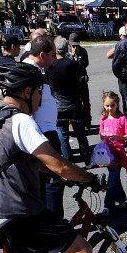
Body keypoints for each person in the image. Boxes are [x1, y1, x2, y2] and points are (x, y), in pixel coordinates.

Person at [0, 63, 115, 253]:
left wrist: (53, 174)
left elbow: (18, 159)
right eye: (39, 93)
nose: (40, 100)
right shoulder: (21, 121)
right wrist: (88, 178)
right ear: (27, 92)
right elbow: (59, 164)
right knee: (81, 250)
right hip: (23, 211)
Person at [21, 35, 66, 219]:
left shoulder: (32, 70)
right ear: (42, 55)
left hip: (42, 132)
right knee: (53, 181)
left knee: (42, 183)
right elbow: (29, 108)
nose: (55, 58)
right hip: (43, 134)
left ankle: (46, 222)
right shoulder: (31, 73)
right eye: (52, 54)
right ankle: (54, 224)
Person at [47, 36, 89, 165]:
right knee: (80, 133)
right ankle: (86, 158)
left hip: (58, 105)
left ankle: (68, 161)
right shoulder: (72, 64)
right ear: (67, 48)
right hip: (74, 103)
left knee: (63, 135)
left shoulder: (50, 67)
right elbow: (80, 82)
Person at [98, 91, 127, 216]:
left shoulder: (121, 119)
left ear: (117, 104)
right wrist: (102, 137)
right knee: (115, 178)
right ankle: (122, 199)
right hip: (107, 154)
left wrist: (118, 137)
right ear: (103, 105)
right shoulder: (103, 119)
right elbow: (101, 135)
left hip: (117, 154)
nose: (110, 108)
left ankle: (108, 206)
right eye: (107, 106)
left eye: (112, 105)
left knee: (112, 180)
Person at [68, 32, 91, 127]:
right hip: (72, 81)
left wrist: (78, 57)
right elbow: (67, 66)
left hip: (82, 80)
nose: (75, 47)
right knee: (73, 102)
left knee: (85, 101)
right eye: (73, 45)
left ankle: (87, 120)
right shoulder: (67, 52)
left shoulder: (83, 51)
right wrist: (72, 56)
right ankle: (74, 121)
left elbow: (86, 64)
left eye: (76, 45)